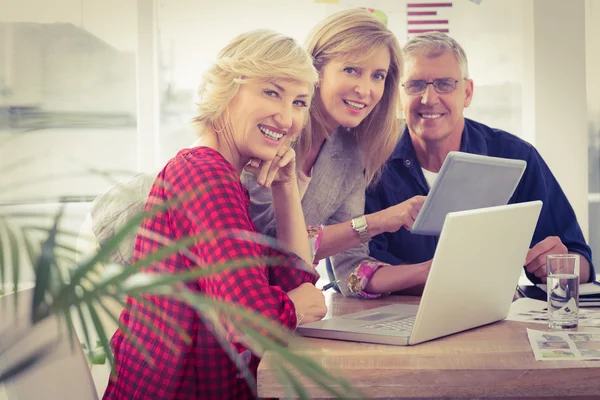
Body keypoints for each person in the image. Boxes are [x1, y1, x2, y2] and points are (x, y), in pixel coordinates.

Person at [102, 29, 327, 399]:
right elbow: (250, 322)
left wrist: (285, 187)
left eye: (300, 102)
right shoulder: (204, 173)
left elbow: (294, 280)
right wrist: (295, 308)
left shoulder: (219, 173)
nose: (287, 118)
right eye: (271, 92)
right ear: (228, 89)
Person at [333, 32, 594, 297]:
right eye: (415, 85)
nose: (429, 98)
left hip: (488, 318)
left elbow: (582, 264)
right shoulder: (369, 162)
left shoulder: (516, 157)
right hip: (393, 318)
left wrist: (561, 263)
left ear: (467, 93)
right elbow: (352, 270)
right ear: (398, 96)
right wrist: (439, 275)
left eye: (445, 84)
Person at [242, 9, 425, 298]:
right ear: (315, 70)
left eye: (377, 76)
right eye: (351, 70)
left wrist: (428, 271)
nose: (365, 89)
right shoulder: (273, 130)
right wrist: (380, 221)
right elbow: (271, 247)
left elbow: (351, 270)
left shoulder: (350, 156)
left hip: (285, 313)